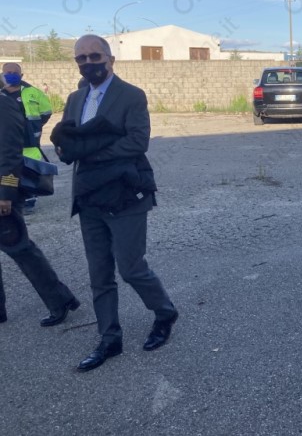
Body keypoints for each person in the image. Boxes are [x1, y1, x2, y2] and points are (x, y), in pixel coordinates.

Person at [53, 35, 178, 372]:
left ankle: (165, 312)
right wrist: (65, 149)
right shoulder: (75, 98)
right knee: (99, 274)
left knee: (131, 268)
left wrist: (91, 153)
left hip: (125, 195)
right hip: (89, 197)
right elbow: (70, 139)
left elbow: (138, 141)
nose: (88, 63)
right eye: (81, 58)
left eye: (95, 56)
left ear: (110, 59)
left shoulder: (131, 95)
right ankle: (109, 339)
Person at [0, 88, 79, 327]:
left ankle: (60, 300)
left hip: (2, 192)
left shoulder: (3, 104)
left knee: (19, 247)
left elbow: (10, 153)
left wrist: (6, 193)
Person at [1, 63, 53, 213]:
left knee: (29, 170)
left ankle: (29, 199)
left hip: (29, 140)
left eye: (15, 73)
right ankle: (9, 195)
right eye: (8, 72)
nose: (11, 75)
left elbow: (46, 111)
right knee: (9, 168)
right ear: (2, 75)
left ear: (22, 75)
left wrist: (35, 126)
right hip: (8, 140)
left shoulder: (33, 92)